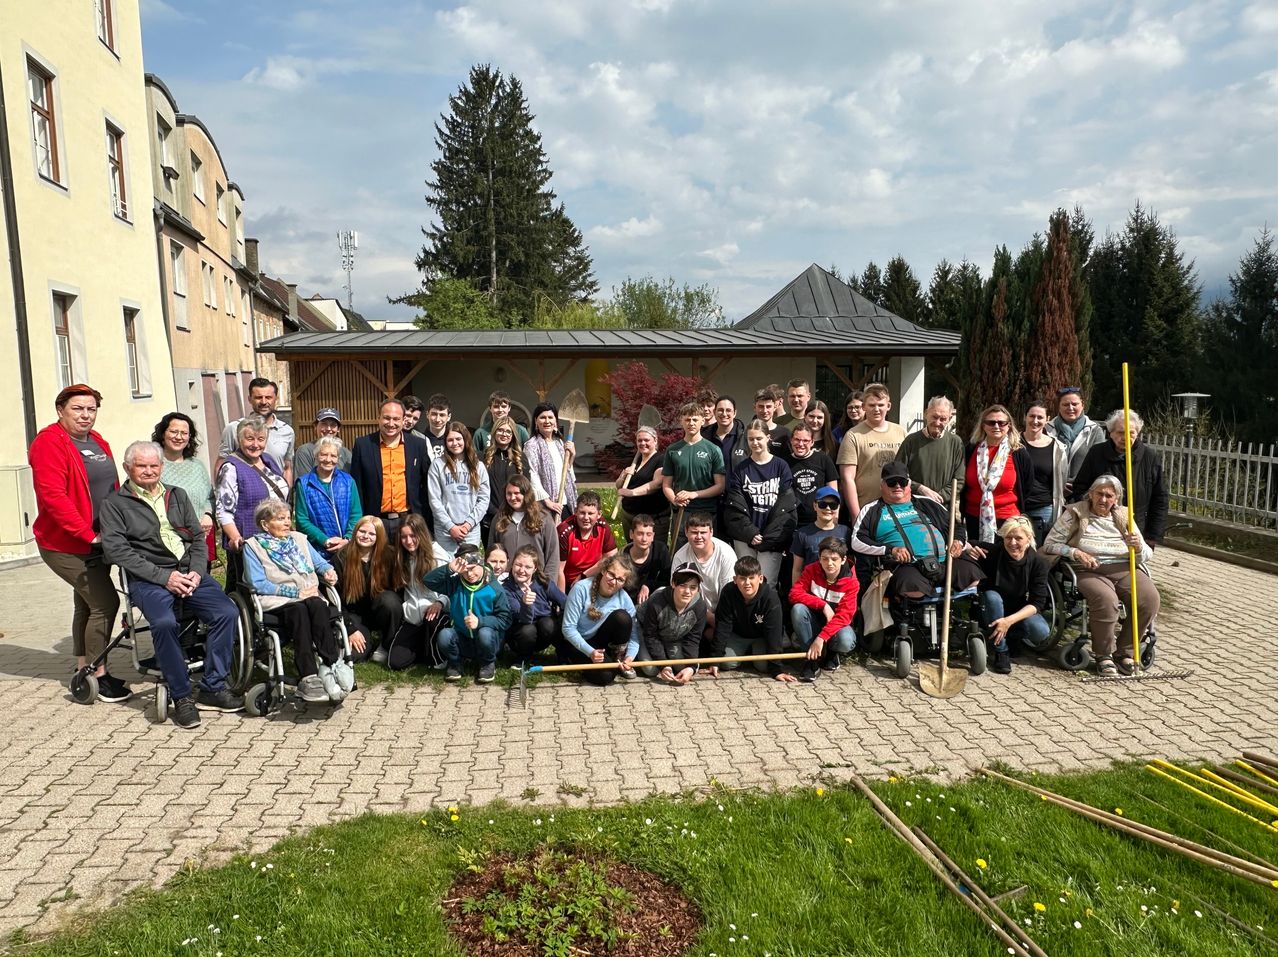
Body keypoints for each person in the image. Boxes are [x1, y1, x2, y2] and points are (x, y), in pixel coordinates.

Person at [100, 441, 243, 725]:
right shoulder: (115, 504)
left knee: (226, 612)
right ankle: (182, 695)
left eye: (154, 465)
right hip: (149, 579)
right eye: (142, 466)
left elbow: (198, 538)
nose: (149, 471)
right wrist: (166, 578)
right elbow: (118, 551)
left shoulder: (176, 495)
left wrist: (197, 573)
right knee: (164, 623)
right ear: (128, 468)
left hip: (190, 573)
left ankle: (213, 686)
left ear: (161, 467)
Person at [30, 385, 124, 698]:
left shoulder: (98, 441)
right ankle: (99, 672)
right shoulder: (49, 443)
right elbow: (53, 498)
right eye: (77, 409)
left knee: (86, 604)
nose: (85, 415)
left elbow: (112, 486)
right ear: (61, 410)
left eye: (91, 409)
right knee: (105, 603)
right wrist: (88, 534)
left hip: (99, 541)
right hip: (65, 544)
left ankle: (83, 666)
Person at [1043, 474, 1159, 677]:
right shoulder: (1075, 513)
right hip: (1086, 568)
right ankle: (1103, 655)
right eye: (1099, 494)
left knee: (1149, 599)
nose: (1103, 500)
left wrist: (1139, 547)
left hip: (1123, 567)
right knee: (1106, 600)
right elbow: (1050, 543)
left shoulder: (1124, 516)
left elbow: (1146, 555)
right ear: (1090, 494)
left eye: (1109, 496)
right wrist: (1075, 552)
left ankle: (1125, 652)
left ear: (1116, 499)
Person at [242, 499, 343, 704]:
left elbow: (319, 563)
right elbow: (258, 583)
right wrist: (295, 592)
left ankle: (330, 665)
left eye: (288, 518)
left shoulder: (299, 539)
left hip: (309, 595)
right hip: (277, 600)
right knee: (299, 610)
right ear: (264, 524)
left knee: (317, 604)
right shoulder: (252, 546)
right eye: (280, 519)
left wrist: (328, 571)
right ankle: (308, 676)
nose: (287, 523)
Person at [850, 461, 983, 599]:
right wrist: (891, 550)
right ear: (881, 485)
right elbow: (857, 541)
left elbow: (957, 528)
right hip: (907, 567)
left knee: (972, 575)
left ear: (909, 484)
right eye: (892, 482)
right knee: (912, 587)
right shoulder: (871, 510)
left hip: (944, 561)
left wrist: (958, 542)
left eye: (902, 482)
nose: (897, 486)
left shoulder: (928, 503)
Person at [1070, 409, 1169, 547]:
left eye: (1131, 433)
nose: (1126, 437)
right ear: (1111, 433)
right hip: (1100, 527)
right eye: (1120, 433)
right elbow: (1080, 487)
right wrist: (1093, 511)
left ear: (1138, 433)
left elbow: (1160, 498)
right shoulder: (1097, 453)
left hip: (1136, 528)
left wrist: (1153, 535)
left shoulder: (1149, 457)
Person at [969, 515, 1051, 675]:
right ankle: (1001, 651)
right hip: (990, 606)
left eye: (1018, 538)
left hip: (1017, 609)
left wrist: (1008, 621)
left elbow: (1037, 603)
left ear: (1029, 538)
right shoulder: (994, 552)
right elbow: (970, 543)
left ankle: (1012, 635)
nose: (1012, 543)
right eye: (1008, 537)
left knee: (1041, 631)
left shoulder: (1039, 563)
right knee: (993, 596)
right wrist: (970, 549)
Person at [216, 415, 289, 593]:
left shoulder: (268, 461)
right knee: (250, 591)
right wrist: (236, 539)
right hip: (250, 543)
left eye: (260, 439)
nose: (255, 444)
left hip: (276, 541)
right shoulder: (231, 468)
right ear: (239, 440)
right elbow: (224, 511)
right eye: (249, 439)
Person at [424, 543, 512, 683]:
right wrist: (448, 568)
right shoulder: (455, 584)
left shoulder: (494, 587)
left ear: (481, 564)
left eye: (473, 569)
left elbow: (505, 619)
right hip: (463, 639)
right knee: (445, 635)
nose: (470, 574)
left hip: (488, 641)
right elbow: (428, 581)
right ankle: (456, 662)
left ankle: (487, 663)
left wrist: (480, 622)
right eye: (465, 571)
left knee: (485, 633)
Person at [724, 419, 796, 585]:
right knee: (745, 583)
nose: (755, 443)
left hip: (771, 538)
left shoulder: (781, 466)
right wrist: (750, 533)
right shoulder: (741, 469)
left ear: (767, 438)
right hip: (745, 537)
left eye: (759, 438)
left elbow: (786, 506)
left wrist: (769, 537)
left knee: (766, 584)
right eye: (751, 439)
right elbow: (734, 505)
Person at [349, 398, 430, 543]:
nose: (391, 424)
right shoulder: (363, 445)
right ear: (378, 418)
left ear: (403, 420)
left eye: (396, 419)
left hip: (408, 520)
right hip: (375, 521)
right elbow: (357, 486)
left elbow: (426, 484)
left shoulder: (418, 445)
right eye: (386, 418)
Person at [557, 555, 639, 686]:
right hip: (578, 643)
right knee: (606, 677)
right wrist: (590, 652)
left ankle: (618, 658)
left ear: (625, 583)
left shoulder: (624, 598)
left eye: (620, 579)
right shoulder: (581, 589)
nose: (613, 581)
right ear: (603, 570)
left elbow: (635, 634)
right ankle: (571, 658)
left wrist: (630, 657)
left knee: (623, 618)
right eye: (611, 574)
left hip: (601, 642)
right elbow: (568, 628)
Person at [962, 404, 1036, 545]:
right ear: (983, 426)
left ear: (1009, 426)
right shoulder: (971, 449)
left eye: (1002, 423)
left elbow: (1027, 485)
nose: (996, 426)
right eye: (991, 422)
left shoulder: (1018, 453)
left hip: (1008, 520)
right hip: (973, 517)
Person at [383, 514, 449, 669]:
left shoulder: (437, 555)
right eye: (404, 537)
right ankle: (421, 646)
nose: (408, 541)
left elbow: (453, 588)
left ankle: (435, 652)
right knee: (395, 663)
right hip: (413, 616)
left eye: (413, 536)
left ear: (422, 534)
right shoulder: (401, 558)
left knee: (431, 659)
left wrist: (440, 602)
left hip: (436, 613)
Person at [789, 537, 860, 680]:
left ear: (844, 559)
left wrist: (821, 638)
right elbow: (794, 594)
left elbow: (844, 616)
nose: (829, 563)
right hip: (813, 622)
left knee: (846, 640)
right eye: (825, 559)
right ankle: (811, 661)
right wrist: (823, 605)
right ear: (819, 558)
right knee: (798, 609)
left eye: (834, 559)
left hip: (835, 626)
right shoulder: (811, 570)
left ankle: (832, 652)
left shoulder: (852, 583)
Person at [333, 516, 401, 663]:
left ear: (379, 536)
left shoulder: (389, 556)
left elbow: (399, 591)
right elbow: (335, 601)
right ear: (355, 531)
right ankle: (367, 643)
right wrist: (350, 629)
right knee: (354, 656)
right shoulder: (341, 558)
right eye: (362, 531)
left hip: (380, 609)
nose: (365, 536)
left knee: (390, 601)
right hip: (354, 614)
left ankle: (387, 643)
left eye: (371, 534)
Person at [153, 411, 216, 566]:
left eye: (184, 433)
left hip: (199, 537)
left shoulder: (197, 466)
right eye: (174, 431)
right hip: (167, 541)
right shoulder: (153, 464)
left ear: (189, 438)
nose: (179, 437)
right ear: (163, 434)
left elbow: (210, 497)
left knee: (200, 582)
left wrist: (208, 514)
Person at [706, 555, 785, 678]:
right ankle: (745, 651)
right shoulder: (728, 592)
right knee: (726, 663)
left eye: (751, 578)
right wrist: (714, 660)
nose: (747, 583)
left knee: (764, 667)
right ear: (735, 579)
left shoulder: (770, 597)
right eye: (742, 578)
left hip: (761, 636)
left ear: (760, 578)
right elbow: (723, 626)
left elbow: (774, 633)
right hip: (738, 635)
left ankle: (754, 652)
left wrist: (777, 670)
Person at [837, 382, 906, 519]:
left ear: (888, 406)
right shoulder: (853, 436)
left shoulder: (901, 432)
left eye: (880, 405)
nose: (876, 409)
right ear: (864, 407)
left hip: (899, 509)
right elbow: (847, 479)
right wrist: (856, 516)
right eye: (871, 405)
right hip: (867, 511)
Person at [663, 401, 726, 550]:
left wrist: (694, 494)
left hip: (706, 510)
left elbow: (720, 486)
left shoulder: (713, 450)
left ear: (702, 421)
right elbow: (666, 485)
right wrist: (674, 499)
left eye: (695, 419)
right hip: (682, 512)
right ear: (681, 421)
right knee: (679, 551)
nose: (691, 423)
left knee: (706, 551)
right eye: (687, 419)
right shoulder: (672, 450)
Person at [635, 563, 708, 685]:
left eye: (693, 587)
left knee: (682, 667)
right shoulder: (657, 602)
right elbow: (651, 636)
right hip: (647, 632)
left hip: (673, 637)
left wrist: (692, 667)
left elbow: (693, 638)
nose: (687, 591)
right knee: (651, 670)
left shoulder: (700, 606)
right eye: (682, 585)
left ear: (698, 589)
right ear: (673, 584)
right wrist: (664, 665)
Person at [669, 512, 737, 639]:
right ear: (686, 532)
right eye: (694, 532)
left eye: (703, 532)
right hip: (692, 610)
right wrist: (707, 616)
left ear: (711, 532)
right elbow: (677, 592)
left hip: (723, 612)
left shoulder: (726, 554)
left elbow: (729, 594)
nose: (698, 537)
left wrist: (718, 622)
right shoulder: (680, 556)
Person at [428, 420, 489, 558]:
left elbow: (483, 500)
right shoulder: (437, 465)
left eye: (458, 439)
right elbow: (434, 499)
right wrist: (451, 527)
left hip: (470, 531)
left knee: (469, 572)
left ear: (465, 439)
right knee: (446, 571)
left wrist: (468, 524)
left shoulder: (478, 466)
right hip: (445, 531)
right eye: (450, 440)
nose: (455, 443)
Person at [294, 436, 362, 556]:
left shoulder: (348, 481)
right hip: (318, 551)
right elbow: (302, 520)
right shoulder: (303, 484)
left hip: (347, 548)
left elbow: (356, 514)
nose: (328, 459)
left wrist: (347, 539)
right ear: (316, 456)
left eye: (333, 456)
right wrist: (325, 540)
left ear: (338, 458)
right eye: (323, 454)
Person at [218, 378, 294, 484]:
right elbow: (221, 463)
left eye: (268, 397)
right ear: (249, 399)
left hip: (276, 496)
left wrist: (286, 493)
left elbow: (287, 467)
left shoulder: (287, 431)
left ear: (275, 399)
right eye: (258, 397)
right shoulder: (234, 429)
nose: (263, 402)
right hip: (245, 495)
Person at [503, 545, 568, 666]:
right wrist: (525, 604)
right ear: (512, 564)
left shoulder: (543, 583)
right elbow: (525, 619)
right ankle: (523, 658)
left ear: (535, 569)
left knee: (549, 623)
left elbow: (565, 602)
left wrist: (561, 619)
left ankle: (563, 654)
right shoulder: (506, 589)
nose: (522, 570)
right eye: (518, 565)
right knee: (528, 629)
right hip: (520, 635)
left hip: (543, 635)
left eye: (528, 567)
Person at [895, 396, 965, 504]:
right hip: (913, 506)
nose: (937, 422)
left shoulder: (956, 443)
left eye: (943, 419)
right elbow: (898, 473)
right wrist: (919, 488)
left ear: (949, 419)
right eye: (934, 417)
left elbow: (959, 479)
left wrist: (939, 497)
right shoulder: (911, 441)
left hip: (943, 507)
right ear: (926, 413)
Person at [489, 474, 560, 576]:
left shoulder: (544, 519)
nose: (512, 497)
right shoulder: (499, 519)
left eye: (517, 493)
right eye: (509, 493)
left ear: (526, 494)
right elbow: (491, 553)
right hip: (506, 582)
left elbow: (553, 555)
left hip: (536, 580)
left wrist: (547, 585)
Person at [1020, 400, 1069, 546]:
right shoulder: (1013, 442)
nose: (1035, 421)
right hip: (1015, 506)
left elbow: (1062, 478)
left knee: (1040, 550)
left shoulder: (1058, 448)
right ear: (1025, 417)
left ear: (1047, 419)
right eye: (1032, 416)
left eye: (1040, 417)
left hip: (1044, 508)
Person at [1045, 386, 1107, 492]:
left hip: (1083, 492)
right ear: (1059, 407)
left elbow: (1099, 465)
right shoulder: (1046, 430)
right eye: (1065, 404)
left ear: (1082, 405)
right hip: (1051, 490)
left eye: (1074, 404)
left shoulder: (1095, 431)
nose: (1070, 408)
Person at [615, 424, 669, 546]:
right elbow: (619, 486)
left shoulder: (661, 459)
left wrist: (631, 492)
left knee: (655, 550)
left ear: (655, 440)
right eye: (639, 440)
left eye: (646, 440)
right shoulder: (635, 460)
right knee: (632, 549)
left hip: (652, 517)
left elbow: (656, 484)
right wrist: (623, 476)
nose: (643, 443)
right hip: (629, 514)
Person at [525, 401, 577, 521]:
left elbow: (567, 472)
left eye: (550, 417)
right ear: (536, 421)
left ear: (555, 421)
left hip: (566, 501)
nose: (547, 421)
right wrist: (547, 501)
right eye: (542, 417)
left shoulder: (559, 443)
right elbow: (532, 474)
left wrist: (572, 456)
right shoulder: (532, 445)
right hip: (546, 505)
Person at [557, 490, 618, 592]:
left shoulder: (602, 526)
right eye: (582, 513)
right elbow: (559, 570)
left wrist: (584, 576)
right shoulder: (564, 531)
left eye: (590, 513)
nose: (586, 518)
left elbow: (612, 557)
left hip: (593, 578)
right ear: (575, 511)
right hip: (568, 583)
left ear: (599, 514)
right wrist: (562, 601)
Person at [480, 415, 527, 539]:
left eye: (508, 431)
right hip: (490, 518)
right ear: (494, 432)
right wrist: (495, 512)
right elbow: (479, 488)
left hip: (515, 517)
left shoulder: (521, 458)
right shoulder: (483, 457)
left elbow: (527, 489)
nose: (504, 434)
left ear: (513, 435)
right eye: (500, 430)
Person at [790, 488, 850, 584]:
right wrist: (796, 596)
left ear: (838, 508)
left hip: (839, 589)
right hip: (811, 588)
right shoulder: (802, 534)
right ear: (815, 506)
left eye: (833, 505)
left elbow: (851, 564)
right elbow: (797, 569)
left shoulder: (845, 531)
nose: (828, 509)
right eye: (823, 504)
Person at [785, 424, 839, 527]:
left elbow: (834, 493)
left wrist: (835, 518)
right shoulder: (784, 463)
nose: (800, 444)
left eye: (805, 441)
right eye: (797, 439)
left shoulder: (823, 459)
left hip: (820, 521)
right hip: (793, 522)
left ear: (812, 442)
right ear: (791, 440)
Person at [623, 514, 670, 605]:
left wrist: (648, 585)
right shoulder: (623, 556)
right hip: (627, 600)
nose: (644, 539)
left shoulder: (660, 550)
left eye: (648, 534)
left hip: (655, 598)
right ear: (631, 534)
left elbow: (668, 580)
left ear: (653, 536)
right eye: (640, 534)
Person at [292, 408, 351, 478]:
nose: (329, 429)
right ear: (315, 426)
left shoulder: (345, 453)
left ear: (338, 429)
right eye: (324, 424)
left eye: (333, 425)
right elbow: (303, 483)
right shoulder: (305, 451)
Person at [752, 387, 791, 458]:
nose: (765, 410)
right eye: (761, 406)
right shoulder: (748, 433)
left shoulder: (784, 434)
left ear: (775, 407)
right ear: (754, 407)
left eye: (768, 406)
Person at [422, 393, 451, 462]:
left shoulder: (455, 440)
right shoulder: (421, 440)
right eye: (434, 414)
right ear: (427, 415)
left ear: (449, 417)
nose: (437, 419)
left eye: (442, 415)